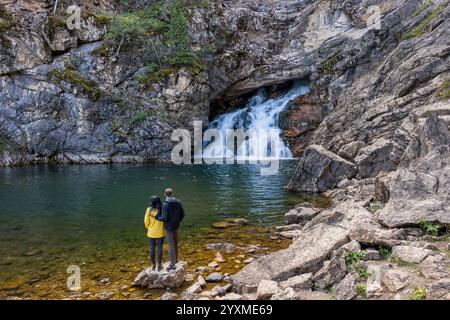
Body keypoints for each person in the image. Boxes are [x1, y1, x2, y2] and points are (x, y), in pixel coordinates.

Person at [157, 188, 185, 270]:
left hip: (169, 227)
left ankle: (172, 264)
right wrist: (178, 221)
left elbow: (164, 218)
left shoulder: (165, 204)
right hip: (176, 226)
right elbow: (183, 214)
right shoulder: (178, 202)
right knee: (176, 242)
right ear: (172, 193)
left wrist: (157, 217)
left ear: (165, 194)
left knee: (170, 245)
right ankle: (176, 259)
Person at [144, 196, 165, 271]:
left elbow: (146, 221)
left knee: (152, 248)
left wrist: (148, 227)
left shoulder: (149, 209)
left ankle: (153, 265)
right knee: (160, 249)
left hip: (151, 232)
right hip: (160, 232)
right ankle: (159, 265)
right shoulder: (162, 209)